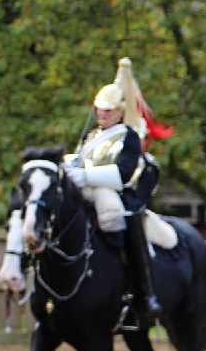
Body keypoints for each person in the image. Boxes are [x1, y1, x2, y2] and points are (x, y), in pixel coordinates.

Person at [64, 57, 161, 320]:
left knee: (129, 219)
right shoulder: (92, 137)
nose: (102, 114)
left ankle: (145, 292)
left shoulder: (128, 136)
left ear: (120, 111)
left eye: (108, 110)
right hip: (87, 193)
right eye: (99, 109)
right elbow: (81, 161)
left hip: (119, 194)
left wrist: (85, 175)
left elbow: (124, 173)